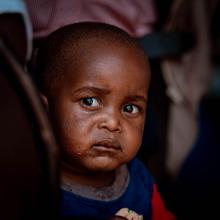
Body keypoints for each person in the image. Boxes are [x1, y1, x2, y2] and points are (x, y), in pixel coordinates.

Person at [35, 22, 175, 220]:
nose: (112, 123)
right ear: (44, 110)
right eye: (89, 101)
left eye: (130, 108)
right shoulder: (32, 190)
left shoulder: (137, 177)